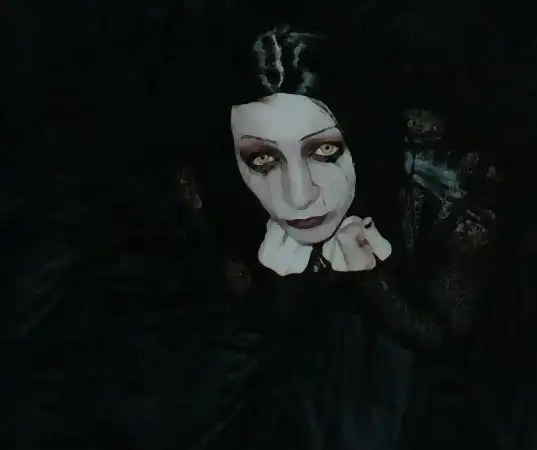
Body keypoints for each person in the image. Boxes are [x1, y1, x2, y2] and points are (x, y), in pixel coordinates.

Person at [4, 15, 501, 450]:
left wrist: (373, 278)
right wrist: (283, 286)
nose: (298, 195)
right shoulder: (210, 188)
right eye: (262, 159)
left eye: (324, 150)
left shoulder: (449, 185)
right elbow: (251, 318)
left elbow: (450, 336)